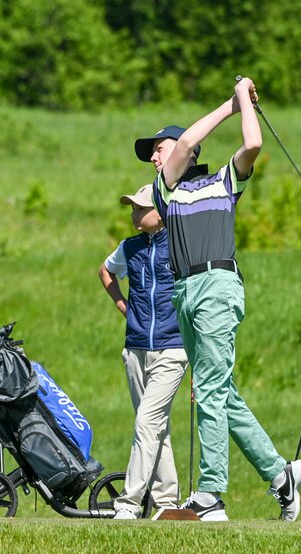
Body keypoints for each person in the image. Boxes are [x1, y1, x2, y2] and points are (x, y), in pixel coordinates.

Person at [133, 77, 301, 522]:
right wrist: (231, 103)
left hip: (217, 286)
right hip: (184, 291)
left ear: (181, 153)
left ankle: (210, 493)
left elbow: (253, 142)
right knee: (221, 393)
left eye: (157, 148)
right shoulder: (165, 191)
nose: (153, 156)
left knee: (208, 388)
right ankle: (279, 474)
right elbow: (187, 139)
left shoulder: (224, 181)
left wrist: (242, 103)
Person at [99, 184, 189, 520]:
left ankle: (129, 503)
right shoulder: (131, 247)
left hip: (172, 349)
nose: (134, 214)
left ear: (161, 211)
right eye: (132, 208)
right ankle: (167, 503)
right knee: (155, 427)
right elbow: (105, 271)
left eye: (140, 208)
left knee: (146, 422)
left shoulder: (181, 244)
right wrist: (122, 304)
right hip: (136, 348)